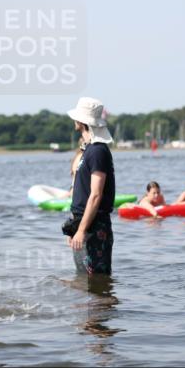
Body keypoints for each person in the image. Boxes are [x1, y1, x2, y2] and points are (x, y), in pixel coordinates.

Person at [66, 97, 116, 276]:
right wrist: (74, 229)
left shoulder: (98, 152)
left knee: (96, 282)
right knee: (82, 281)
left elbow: (96, 195)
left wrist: (81, 230)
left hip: (94, 227)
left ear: (82, 121)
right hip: (83, 224)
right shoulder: (88, 150)